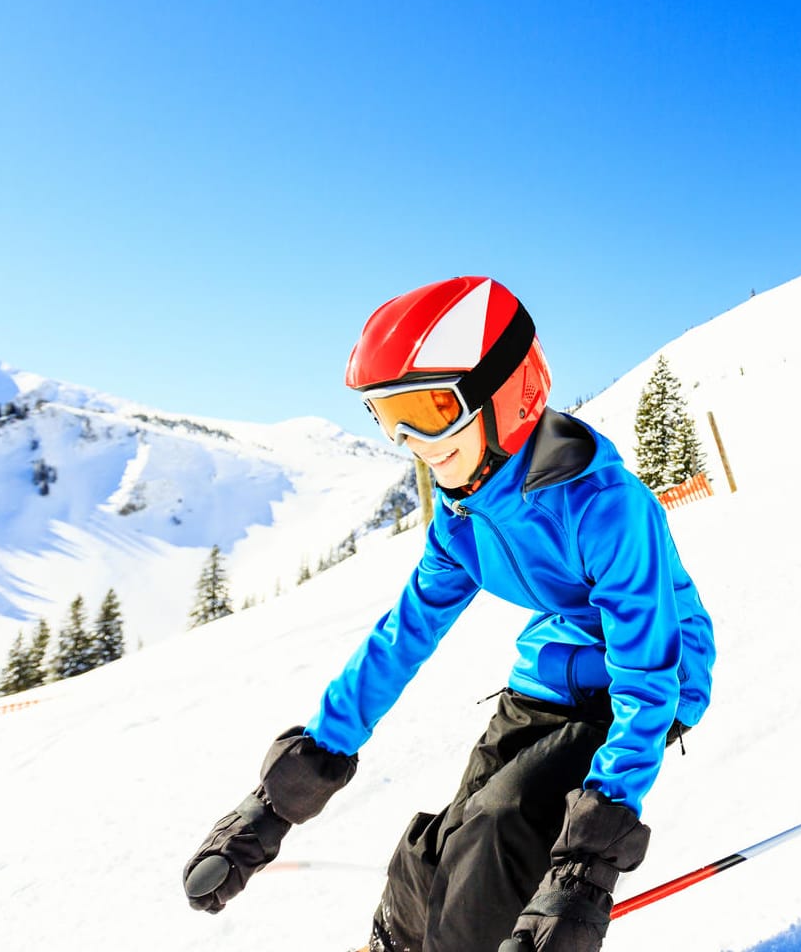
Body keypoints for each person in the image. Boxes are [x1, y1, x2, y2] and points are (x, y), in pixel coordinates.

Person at [181, 276, 717, 952]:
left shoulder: (607, 509)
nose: (412, 440)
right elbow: (401, 639)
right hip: (550, 671)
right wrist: (278, 798)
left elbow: (646, 676)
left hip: (647, 680)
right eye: (387, 414)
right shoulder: (462, 516)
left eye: (429, 411)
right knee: (438, 850)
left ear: (509, 392)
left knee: (499, 830)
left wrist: (586, 864)